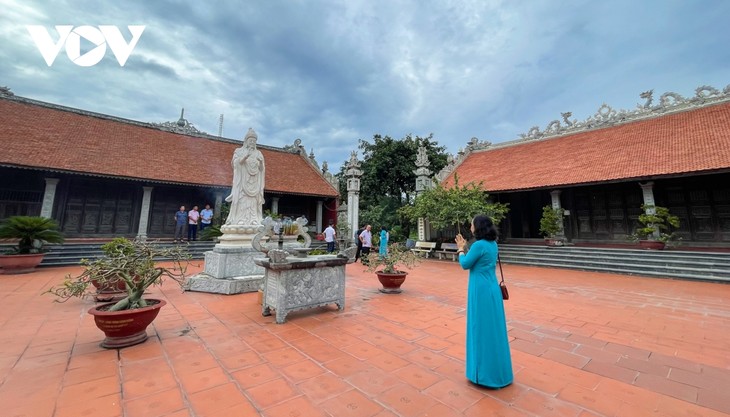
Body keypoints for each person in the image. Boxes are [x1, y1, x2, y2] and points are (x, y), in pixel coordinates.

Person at [454, 215, 513, 389]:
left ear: (478, 227)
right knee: (494, 330)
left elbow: (465, 264)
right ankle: (500, 372)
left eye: (472, 224)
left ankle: (483, 374)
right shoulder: (493, 244)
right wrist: (466, 247)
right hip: (492, 288)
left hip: (480, 290)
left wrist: (460, 249)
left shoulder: (479, 245)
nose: (470, 227)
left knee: (480, 328)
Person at [225, 128, 265, 225]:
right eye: (251, 140)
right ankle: (240, 219)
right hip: (242, 181)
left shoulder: (258, 153)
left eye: (254, 141)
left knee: (253, 201)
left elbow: (261, 169)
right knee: (242, 199)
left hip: (254, 182)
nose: (252, 143)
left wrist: (260, 162)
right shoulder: (239, 151)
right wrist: (245, 156)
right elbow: (235, 164)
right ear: (246, 141)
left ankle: (254, 219)